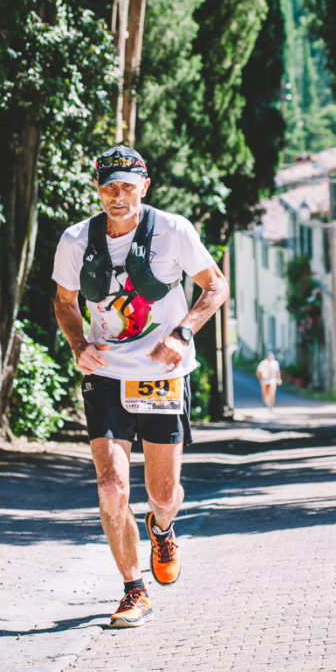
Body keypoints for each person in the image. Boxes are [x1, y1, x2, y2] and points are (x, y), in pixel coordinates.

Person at [52, 145, 229, 629]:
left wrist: (184, 331)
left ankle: (163, 528)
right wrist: (77, 344)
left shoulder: (173, 232)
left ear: (144, 187)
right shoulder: (75, 240)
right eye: (109, 186)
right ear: (97, 189)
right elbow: (65, 302)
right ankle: (133, 590)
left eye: (127, 186)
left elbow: (215, 286)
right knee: (111, 488)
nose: (118, 195)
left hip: (161, 376)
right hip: (106, 374)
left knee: (163, 493)